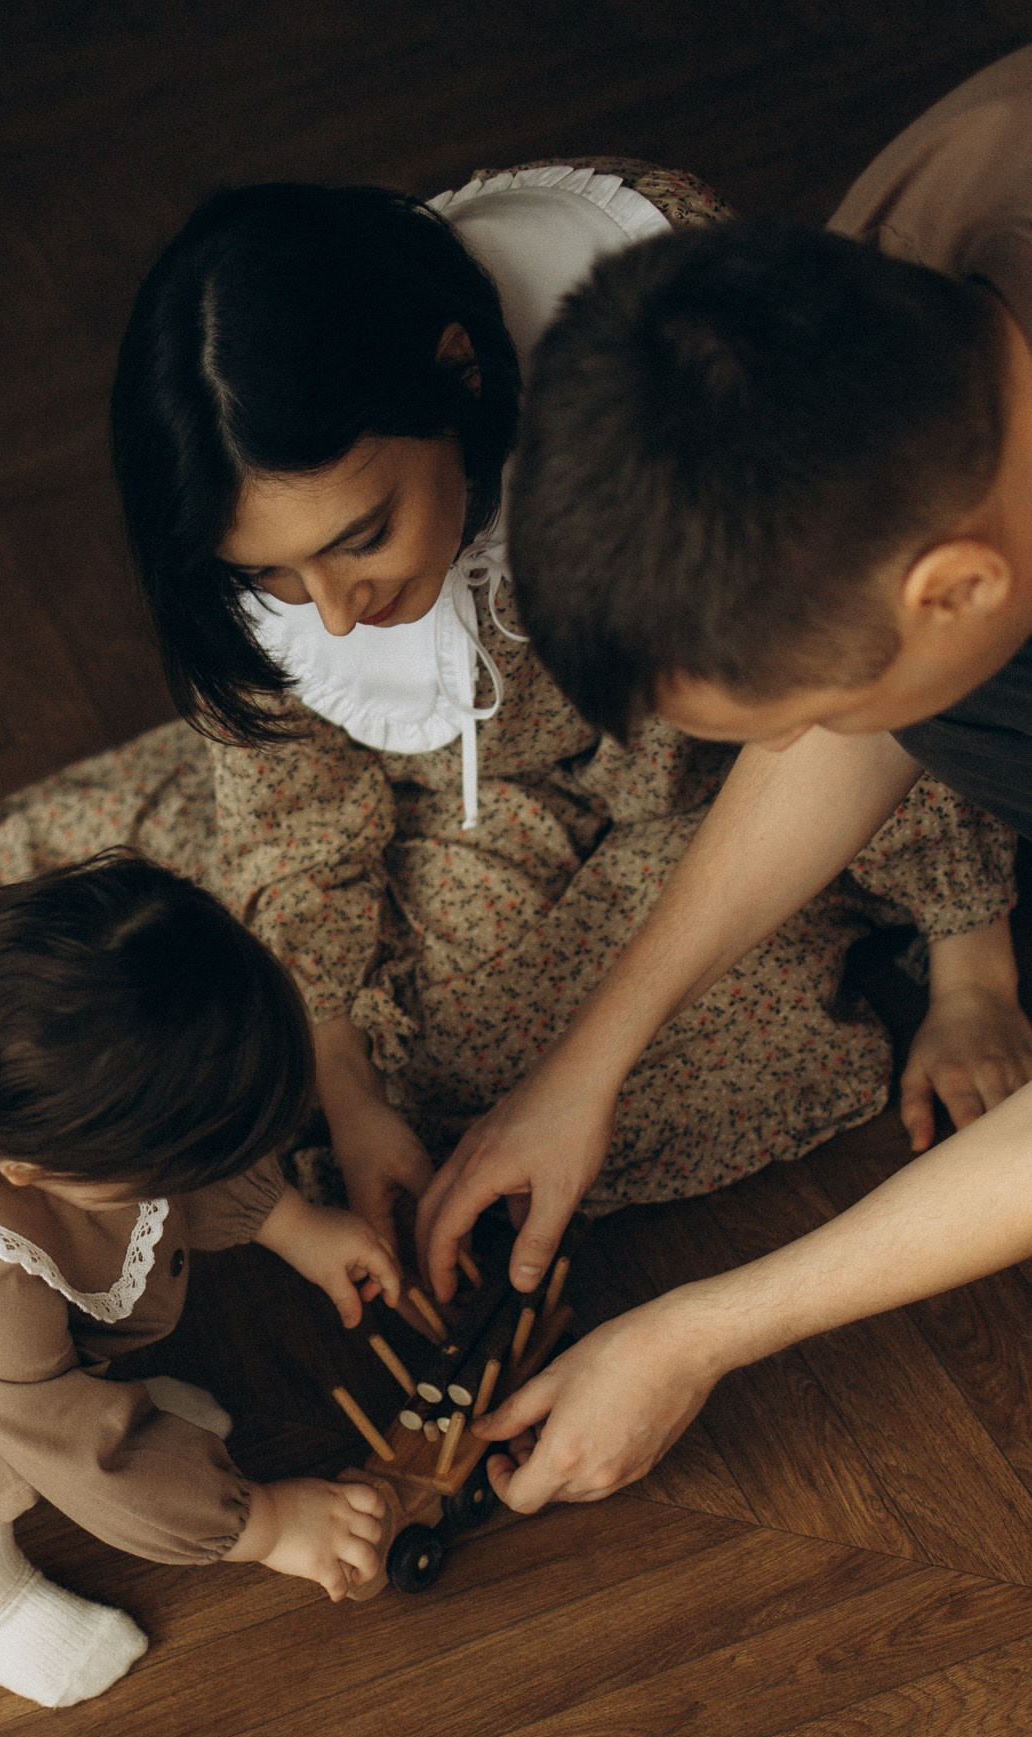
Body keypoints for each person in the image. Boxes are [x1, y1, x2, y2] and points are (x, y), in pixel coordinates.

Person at [0, 160, 1018, 1283]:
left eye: (360, 535)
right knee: (324, 1045)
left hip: (739, 745)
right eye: (274, 578)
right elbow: (292, 805)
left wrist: (972, 973)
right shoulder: (286, 574)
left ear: (457, 378)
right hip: (476, 791)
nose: (335, 609)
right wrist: (344, 1081)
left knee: (514, 1066)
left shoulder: (658, 357)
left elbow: (864, 682)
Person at [417, 47, 1032, 1513]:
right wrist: (588, 1063)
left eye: (798, 710)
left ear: (958, 584)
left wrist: (703, 1332)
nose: (783, 750)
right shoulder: (932, 231)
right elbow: (855, 715)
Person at [0, 854, 398, 1706]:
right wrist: (264, 1523)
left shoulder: (23, 1016)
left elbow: (161, 1106)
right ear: (26, 1174)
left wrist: (292, 1223)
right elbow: (76, 1445)